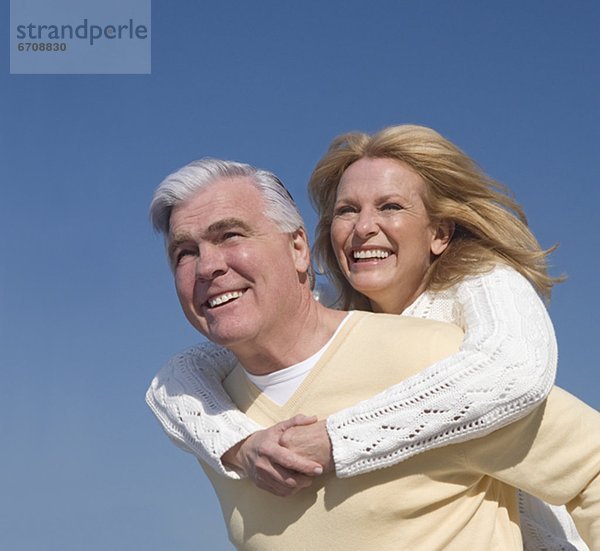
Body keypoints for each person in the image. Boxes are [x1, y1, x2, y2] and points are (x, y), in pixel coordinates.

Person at [146, 126, 579, 548]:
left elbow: (513, 370)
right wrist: (238, 445)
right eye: (347, 210)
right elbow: (178, 377)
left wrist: (337, 439)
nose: (363, 228)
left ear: (440, 233)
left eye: (390, 206)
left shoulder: (478, 292)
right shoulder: (340, 312)